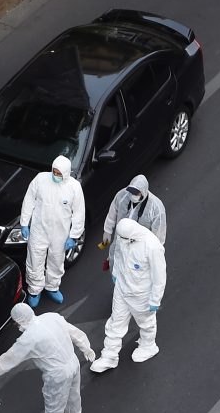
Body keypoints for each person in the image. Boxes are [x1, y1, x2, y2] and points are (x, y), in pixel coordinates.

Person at [91, 218, 166, 372]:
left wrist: (155, 299)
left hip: (141, 294)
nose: (121, 240)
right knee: (115, 322)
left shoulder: (152, 246)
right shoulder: (123, 238)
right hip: (122, 289)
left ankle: (148, 345)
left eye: (124, 238)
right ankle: (109, 356)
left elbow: (160, 276)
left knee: (146, 322)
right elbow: (118, 256)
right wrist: (116, 273)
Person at [20, 155, 85, 307]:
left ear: (66, 173)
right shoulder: (41, 179)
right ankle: (35, 289)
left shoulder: (74, 187)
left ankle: (52, 287)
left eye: (59, 173)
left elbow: (79, 213)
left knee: (56, 260)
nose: (56, 175)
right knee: (35, 259)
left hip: (60, 233)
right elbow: (29, 199)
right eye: (54, 172)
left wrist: (74, 236)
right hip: (39, 229)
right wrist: (24, 223)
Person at [100, 174, 166, 270]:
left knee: (132, 278)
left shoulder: (156, 208)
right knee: (116, 271)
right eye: (131, 191)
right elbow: (112, 213)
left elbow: (158, 237)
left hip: (138, 253)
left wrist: (153, 257)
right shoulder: (122, 196)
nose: (133, 195)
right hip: (119, 244)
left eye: (136, 193)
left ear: (143, 192)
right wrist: (107, 231)